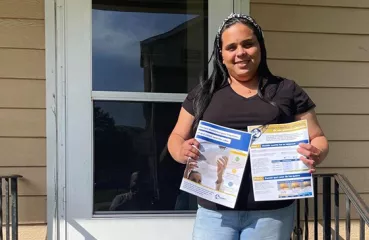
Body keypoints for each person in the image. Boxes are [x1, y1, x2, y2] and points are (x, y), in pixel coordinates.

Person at [167, 13, 329, 240]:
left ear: (260, 48)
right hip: (215, 214)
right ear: (221, 55)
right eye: (231, 47)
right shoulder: (203, 93)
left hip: (272, 214)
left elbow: (318, 138)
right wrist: (182, 151)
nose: (240, 53)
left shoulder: (286, 90)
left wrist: (315, 153)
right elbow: (175, 137)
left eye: (248, 44)